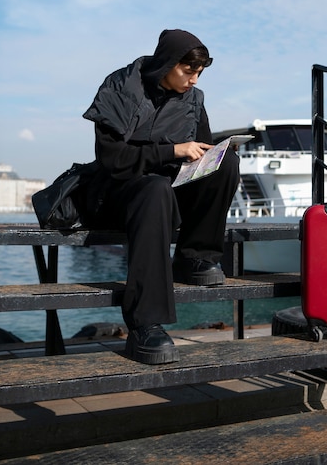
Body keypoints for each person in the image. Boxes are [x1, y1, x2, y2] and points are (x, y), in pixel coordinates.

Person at [83, 29, 240, 365]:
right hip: (117, 193)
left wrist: (210, 154)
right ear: (167, 63)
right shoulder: (121, 87)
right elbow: (113, 160)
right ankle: (144, 324)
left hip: (164, 194)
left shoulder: (194, 100)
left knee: (224, 164)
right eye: (188, 71)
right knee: (154, 188)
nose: (194, 81)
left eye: (199, 74)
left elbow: (201, 153)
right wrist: (172, 151)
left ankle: (193, 256)